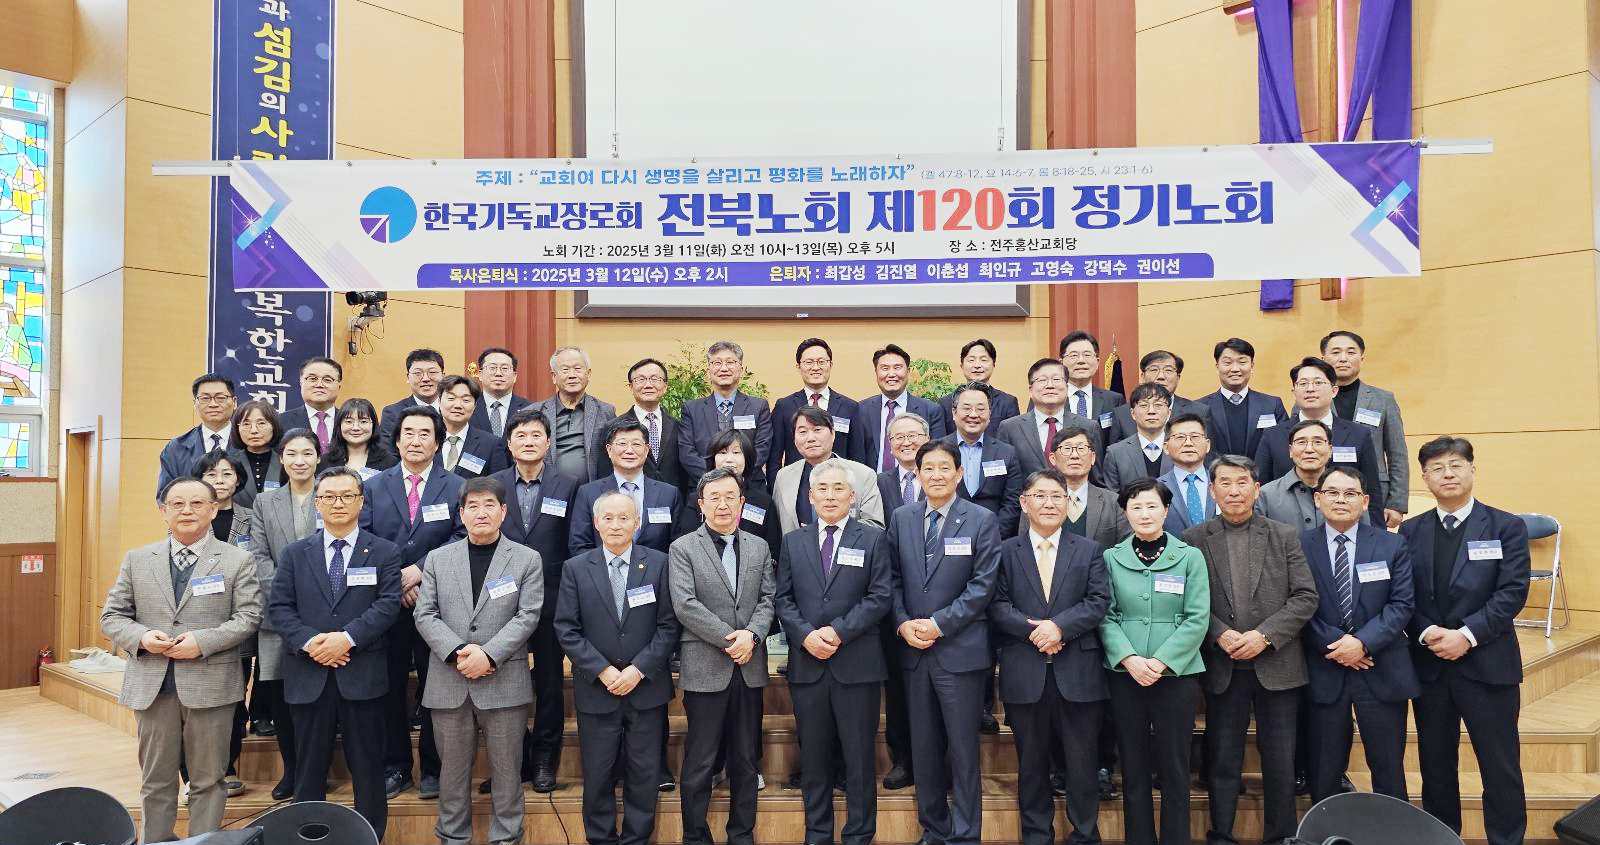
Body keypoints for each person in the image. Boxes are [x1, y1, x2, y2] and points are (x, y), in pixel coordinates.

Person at [101, 477, 262, 844]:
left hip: (211, 686)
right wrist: (142, 638)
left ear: (213, 509)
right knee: (156, 780)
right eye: (177, 504)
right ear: (163, 511)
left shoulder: (238, 560)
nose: (187, 511)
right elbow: (112, 617)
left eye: (196, 503)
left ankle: (202, 842)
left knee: (208, 780)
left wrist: (202, 642)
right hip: (152, 687)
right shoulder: (137, 559)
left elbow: (249, 617)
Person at [1401, 437, 1530, 845]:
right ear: (1425, 478)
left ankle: (1506, 839)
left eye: (1456, 465)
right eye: (1437, 468)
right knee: (1436, 767)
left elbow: (1512, 592)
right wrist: (1426, 633)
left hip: (1488, 666)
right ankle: (1443, 838)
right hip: (1431, 667)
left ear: (1473, 470)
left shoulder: (1506, 526)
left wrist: (1466, 636)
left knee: (1500, 767)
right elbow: (1403, 595)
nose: (1448, 474)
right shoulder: (1410, 530)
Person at [1183, 455, 1317, 845]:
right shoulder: (1194, 538)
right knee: (1223, 759)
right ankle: (1221, 834)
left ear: (1256, 489)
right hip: (1223, 667)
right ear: (1212, 491)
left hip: (1277, 664)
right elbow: (1187, 600)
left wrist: (1264, 635)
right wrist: (1219, 633)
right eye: (1224, 483)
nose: (1234, 491)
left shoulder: (1283, 535)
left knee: (1280, 761)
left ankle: (1281, 836)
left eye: (1242, 482)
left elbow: (1305, 596)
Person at [269, 466, 403, 838]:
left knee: (369, 770)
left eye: (347, 496)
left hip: (362, 675)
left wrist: (347, 638)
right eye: (329, 496)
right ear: (317, 503)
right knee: (308, 772)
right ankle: (307, 840)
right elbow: (279, 608)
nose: (338, 503)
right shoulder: (295, 554)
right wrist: (313, 643)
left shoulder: (384, 551)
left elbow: (388, 605)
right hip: (308, 675)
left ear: (361, 502)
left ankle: (370, 838)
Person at [415, 476, 544, 845]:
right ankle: (453, 837)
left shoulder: (527, 558)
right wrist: (459, 652)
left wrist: (488, 654)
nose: (481, 512)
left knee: (507, 773)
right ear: (461, 514)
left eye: (489, 505)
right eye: (473, 506)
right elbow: (425, 614)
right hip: (449, 679)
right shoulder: (438, 559)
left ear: (503, 511)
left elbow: (528, 615)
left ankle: (506, 837)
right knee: (452, 775)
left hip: (503, 680)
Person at [774, 458, 893, 845]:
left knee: (859, 759)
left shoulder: (873, 539)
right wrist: (806, 635)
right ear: (810, 496)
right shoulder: (793, 541)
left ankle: (859, 835)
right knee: (814, 758)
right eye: (822, 489)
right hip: (808, 666)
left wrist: (839, 632)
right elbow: (783, 599)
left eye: (838, 488)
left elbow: (880, 597)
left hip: (856, 666)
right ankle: (817, 834)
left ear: (852, 496)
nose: (830, 496)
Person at [888, 441, 1000, 845]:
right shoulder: (901, 517)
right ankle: (933, 829)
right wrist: (902, 623)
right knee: (924, 748)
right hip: (914, 652)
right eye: (928, 468)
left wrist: (938, 625)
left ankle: (966, 834)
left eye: (944, 468)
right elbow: (891, 579)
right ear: (917, 474)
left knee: (964, 750)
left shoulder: (982, 519)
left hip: (960, 651)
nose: (936, 475)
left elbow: (982, 586)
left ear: (959, 473)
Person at [991, 468, 1111, 845]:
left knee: (1082, 763)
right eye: (1040, 496)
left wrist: (1059, 627)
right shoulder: (1004, 552)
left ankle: (1085, 835)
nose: (1049, 503)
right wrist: (1037, 632)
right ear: (1024, 503)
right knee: (1032, 764)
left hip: (1078, 672)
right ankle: (1036, 835)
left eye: (1057, 496)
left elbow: (1098, 601)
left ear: (1068, 503)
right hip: (1025, 674)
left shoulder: (1089, 550)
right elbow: (996, 605)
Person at [555, 491, 680, 845]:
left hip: (646, 687)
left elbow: (669, 626)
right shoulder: (576, 568)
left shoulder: (659, 563)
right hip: (598, 688)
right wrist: (603, 670)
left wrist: (638, 670)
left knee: (644, 773)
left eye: (624, 518)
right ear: (596, 523)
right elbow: (566, 628)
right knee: (598, 773)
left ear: (637, 522)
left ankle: (637, 839)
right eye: (607, 518)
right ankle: (601, 839)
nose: (615, 525)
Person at [360, 405, 466, 799]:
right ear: (397, 440)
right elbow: (365, 539)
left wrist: (419, 572)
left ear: (438, 443)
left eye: (425, 434)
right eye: (409, 433)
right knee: (389, 687)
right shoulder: (374, 487)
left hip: (437, 601)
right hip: (387, 602)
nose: (416, 440)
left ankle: (434, 768)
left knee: (436, 686)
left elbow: (461, 536)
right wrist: (398, 579)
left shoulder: (457, 486)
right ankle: (396, 766)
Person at [1098, 477, 1209, 845]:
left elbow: (1197, 617)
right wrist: (1129, 659)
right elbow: (1105, 616)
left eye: (1151, 506)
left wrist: (1161, 662)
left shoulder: (1189, 556)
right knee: (1133, 766)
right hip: (1125, 675)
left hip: (1176, 675)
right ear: (1125, 513)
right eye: (1136, 507)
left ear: (1165, 510)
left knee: (1175, 768)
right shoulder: (1111, 558)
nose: (1144, 513)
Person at [670, 468, 777, 845]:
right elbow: (685, 604)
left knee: (746, 761)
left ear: (742, 502)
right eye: (714, 497)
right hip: (706, 667)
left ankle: (741, 835)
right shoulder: (683, 548)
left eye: (730, 496)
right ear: (701, 504)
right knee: (700, 762)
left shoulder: (759, 547)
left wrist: (752, 635)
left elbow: (768, 599)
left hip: (749, 668)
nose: (722, 504)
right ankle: (695, 836)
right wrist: (731, 639)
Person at [1301, 466, 1417, 803]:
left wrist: (1363, 643)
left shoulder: (1392, 545)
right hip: (1324, 669)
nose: (1341, 499)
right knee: (1323, 771)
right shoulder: (1297, 545)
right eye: (1332, 492)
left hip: (1382, 668)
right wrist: (1339, 646)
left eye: (1350, 493)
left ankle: (1392, 828)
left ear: (1365, 501)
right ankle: (1326, 829)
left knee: (1388, 769)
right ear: (1318, 499)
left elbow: (1402, 604)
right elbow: (1296, 603)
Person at [489, 407, 580, 793]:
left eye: (536, 435)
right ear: (509, 444)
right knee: (501, 681)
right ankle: (511, 761)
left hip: (552, 597)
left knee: (549, 683)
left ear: (548, 443)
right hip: (501, 598)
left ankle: (544, 759)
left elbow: (574, 544)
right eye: (520, 436)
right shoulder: (492, 485)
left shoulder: (569, 485)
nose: (528, 442)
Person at [247, 428, 323, 799]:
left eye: (307, 453)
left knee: (319, 701)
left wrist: (312, 596)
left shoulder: (332, 493)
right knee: (282, 698)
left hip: (325, 614)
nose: (299, 461)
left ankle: (314, 772)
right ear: (281, 459)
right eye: (291, 454)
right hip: (277, 616)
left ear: (319, 457)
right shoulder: (265, 502)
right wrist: (288, 594)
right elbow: (259, 556)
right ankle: (292, 770)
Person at [870, 411, 929, 790]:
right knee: (897, 687)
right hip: (893, 598)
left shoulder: (941, 476)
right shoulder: (879, 483)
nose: (906, 442)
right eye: (898, 437)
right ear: (889, 446)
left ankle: (936, 761)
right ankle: (903, 759)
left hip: (939, 600)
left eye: (914, 435)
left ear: (927, 438)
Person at [192, 449, 256, 796]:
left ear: (238, 479)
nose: (219, 480)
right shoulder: (190, 516)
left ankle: (227, 767)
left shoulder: (252, 517)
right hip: (196, 625)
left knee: (233, 699)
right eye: (211, 474)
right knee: (198, 702)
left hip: (238, 624)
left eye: (227, 473)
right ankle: (195, 773)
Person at [1254, 357, 1383, 524]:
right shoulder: (1273, 435)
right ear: (1294, 392)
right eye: (1303, 383)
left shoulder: (1359, 434)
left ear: (1334, 390)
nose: (1310, 389)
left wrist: (1377, 534)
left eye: (1318, 383)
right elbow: (1261, 487)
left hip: (1344, 527)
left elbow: (1371, 490)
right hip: (1288, 527)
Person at [1321, 330, 1409, 529]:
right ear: (1323, 358)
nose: (1343, 358)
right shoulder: (1310, 399)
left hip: (1374, 494)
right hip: (1325, 494)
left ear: (1361, 358)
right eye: (1336, 352)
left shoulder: (1383, 400)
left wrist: (1396, 503)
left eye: (1351, 352)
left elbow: (1397, 453)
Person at [572, 418, 683, 556]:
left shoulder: (669, 494)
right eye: (622, 443)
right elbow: (580, 546)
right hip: (602, 569)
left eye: (636, 444)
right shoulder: (588, 493)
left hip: (656, 569)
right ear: (609, 450)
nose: (629, 450)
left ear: (646, 450)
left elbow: (677, 547)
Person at [772, 405, 885, 534]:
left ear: (833, 434)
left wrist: (831, 537)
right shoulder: (784, 477)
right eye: (803, 432)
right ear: (794, 439)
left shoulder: (863, 475)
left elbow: (874, 526)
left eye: (817, 430)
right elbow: (776, 527)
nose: (811, 438)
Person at [679, 340, 774, 485]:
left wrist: (737, 478)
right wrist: (714, 479)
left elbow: (762, 448)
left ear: (741, 371)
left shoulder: (759, 406)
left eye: (730, 362)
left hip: (749, 486)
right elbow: (687, 453)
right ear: (708, 372)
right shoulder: (691, 409)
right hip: (704, 487)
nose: (724, 368)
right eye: (717, 363)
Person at [770, 337, 862, 480]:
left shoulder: (850, 407)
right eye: (809, 362)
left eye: (821, 362)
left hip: (838, 485)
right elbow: (774, 457)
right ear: (798, 366)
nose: (815, 367)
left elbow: (857, 456)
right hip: (796, 484)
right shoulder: (784, 406)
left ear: (830, 364)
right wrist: (776, 488)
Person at [850, 343, 949, 473]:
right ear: (876, 372)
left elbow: (938, 453)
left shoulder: (931, 410)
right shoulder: (861, 409)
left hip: (916, 481)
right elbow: (856, 454)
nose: (891, 374)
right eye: (885, 368)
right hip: (872, 482)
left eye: (897, 367)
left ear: (908, 371)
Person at [943, 382, 1024, 538]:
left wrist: (991, 537)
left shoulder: (1006, 453)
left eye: (981, 409)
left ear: (989, 414)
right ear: (954, 412)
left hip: (995, 539)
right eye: (967, 408)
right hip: (948, 538)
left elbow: (1012, 503)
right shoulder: (937, 450)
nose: (974, 414)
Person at [996, 357, 1100, 478]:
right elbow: (1003, 478)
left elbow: (1096, 478)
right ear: (1031, 390)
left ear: (1067, 388)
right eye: (1042, 380)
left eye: (1056, 379)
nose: (1050, 385)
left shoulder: (1089, 427)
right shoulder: (1009, 428)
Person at [1257, 419, 1364, 532]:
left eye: (1318, 442)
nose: (1309, 449)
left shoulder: (1353, 493)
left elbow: (1366, 537)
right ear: (1291, 450)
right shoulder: (1266, 496)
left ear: (1330, 450)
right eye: (1301, 442)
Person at [535, 346, 617, 483]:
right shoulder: (536, 412)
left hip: (592, 488)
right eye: (565, 370)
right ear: (554, 376)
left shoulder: (605, 411)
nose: (572, 375)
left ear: (588, 374)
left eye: (578, 369)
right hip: (548, 488)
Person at [601, 357, 685, 491]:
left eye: (655, 379)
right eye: (641, 379)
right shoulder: (613, 427)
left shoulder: (679, 426)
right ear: (631, 387)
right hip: (628, 497)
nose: (648, 385)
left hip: (672, 498)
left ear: (665, 387)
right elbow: (604, 472)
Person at [1199, 338, 1288, 460]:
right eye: (1227, 363)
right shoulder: (1200, 408)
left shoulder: (1272, 405)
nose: (1235, 369)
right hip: (1215, 472)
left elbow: (1283, 446)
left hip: (1262, 472)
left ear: (1252, 366)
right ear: (1217, 366)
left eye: (1242, 362)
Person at [157, 374, 238, 500]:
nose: (213, 404)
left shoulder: (248, 442)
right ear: (195, 404)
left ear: (234, 402)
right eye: (205, 398)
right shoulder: (176, 448)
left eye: (220, 398)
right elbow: (165, 496)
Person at [1046, 426, 1130, 547]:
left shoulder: (1114, 502)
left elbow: (1125, 548)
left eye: (1081, 448)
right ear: (1053, 458)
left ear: (1093, 458)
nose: (1074, 455)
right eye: (1067, 448)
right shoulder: (1037, 501)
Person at [701, 428, 783, 548]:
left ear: (747, 458)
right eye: (723, 453)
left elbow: (773, 548)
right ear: (713, 459)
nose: (729, 459)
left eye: (736, 452)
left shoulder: (763, 502)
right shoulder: (698, 498)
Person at [1108, 350, 1211, 443]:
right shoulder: (1122, 414)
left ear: (1178, 377)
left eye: (1168, 370)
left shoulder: (1199, 412)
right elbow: (1115, 454)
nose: (1161, 376)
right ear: (1142, 376)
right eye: (1154, 370)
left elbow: (1208, 452)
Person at [1101, 382, 1174, 493]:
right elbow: (1112, 497)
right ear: (1133, 413)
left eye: (1158, 405)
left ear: (1169, 413)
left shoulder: (1179, 448)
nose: (1151, 411)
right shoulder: (1116, 453)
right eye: (1144, 405)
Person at [1058, 331, 1126, 449]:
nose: (1081, 361)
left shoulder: (1114, 400)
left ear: (1097, 362)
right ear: (1061, 362)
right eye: (1074, 355)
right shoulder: (1048, 398)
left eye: (1087, 355)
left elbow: (1120, 442)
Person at [1156, 413, 1218, 535]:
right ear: (1166, 447)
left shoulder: (1222, 483)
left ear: (1207, 445)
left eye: (1195, 437)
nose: (1188, 443)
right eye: (1180, 437)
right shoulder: (1155, 488)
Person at [437, 374, 506, 479]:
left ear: (475, 406)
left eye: (466, 400)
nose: (458, 405)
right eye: (451, 398)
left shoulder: (491, 444)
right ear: (439, 401)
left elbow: (498, 484)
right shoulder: (427, 439)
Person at [938, 338, 1021, 424]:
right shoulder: (945, 403)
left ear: (993, 365)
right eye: (971, 360)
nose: (977, 365)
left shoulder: (1008, 402)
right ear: (962, 366)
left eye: (984, 360)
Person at [379, 348, 446, 446]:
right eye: (418, 373)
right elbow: (388, 452)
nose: (425, 379)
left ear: (443, 376)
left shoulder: (454, 410)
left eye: (432, 372)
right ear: (408, 378)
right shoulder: (393, 413)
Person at [320, 397, 398, 480]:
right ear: (339, 425)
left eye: (363, 421)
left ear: (373, 425)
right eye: (349, 422)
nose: (356, 428)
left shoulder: (390, 463)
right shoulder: (324, 462)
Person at [280, 357, 344, 452]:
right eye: (312, 379)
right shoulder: (281, 421)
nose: (319, 385)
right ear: (301, 383)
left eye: (327, 380)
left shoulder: (348, 422)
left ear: (339, 385)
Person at [230, 399, 285, 504]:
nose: (254, 430)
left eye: (261, 423)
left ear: (274, 426)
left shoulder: (286, 463)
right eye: (246, 424)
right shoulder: (230, 464)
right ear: (237, 429)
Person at [470, 346, 533, 437]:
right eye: (492, 368)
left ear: (514, 376)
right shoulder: (468, 406)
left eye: (505, 368)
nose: (498, 373)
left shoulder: (529, 408)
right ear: (480, 374)